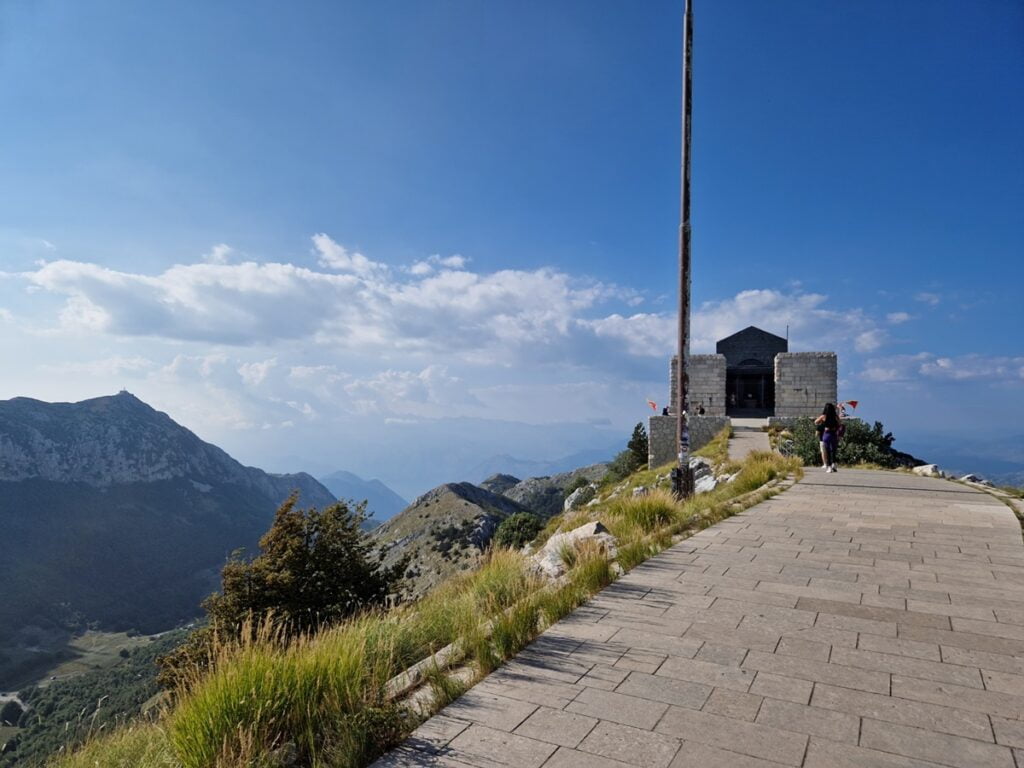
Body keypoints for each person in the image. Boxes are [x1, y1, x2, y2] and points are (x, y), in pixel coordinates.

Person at [814, 402, 841, 472]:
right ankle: (834, 464)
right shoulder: (835, 416)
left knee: (827, 450)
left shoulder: (824, 416)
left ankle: (829, 467)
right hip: (834, 434)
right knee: (834, 450)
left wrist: (822, 424)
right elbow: (840, 423)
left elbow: (816, 422)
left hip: (826, 434)